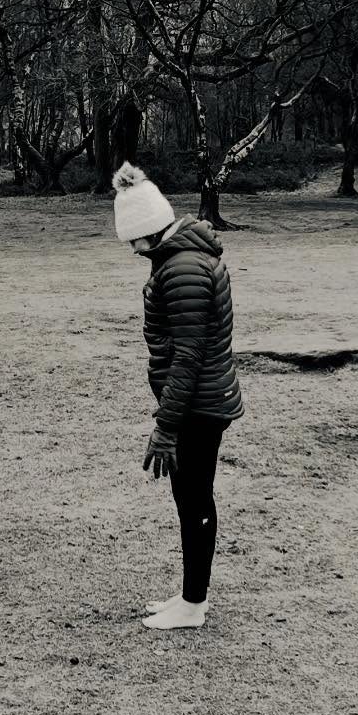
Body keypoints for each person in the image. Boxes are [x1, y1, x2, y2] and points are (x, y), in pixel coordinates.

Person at [112, 163, 244, 630]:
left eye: (132, 238)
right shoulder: (181, 259)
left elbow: (187, 356)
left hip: (198, 405)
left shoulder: (182, 268)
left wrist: (166, 427)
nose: (130, 248)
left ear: (149, 229)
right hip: (201, 399)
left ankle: (193, 605)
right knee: (190, 496)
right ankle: (191, 596)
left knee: (193, 498)